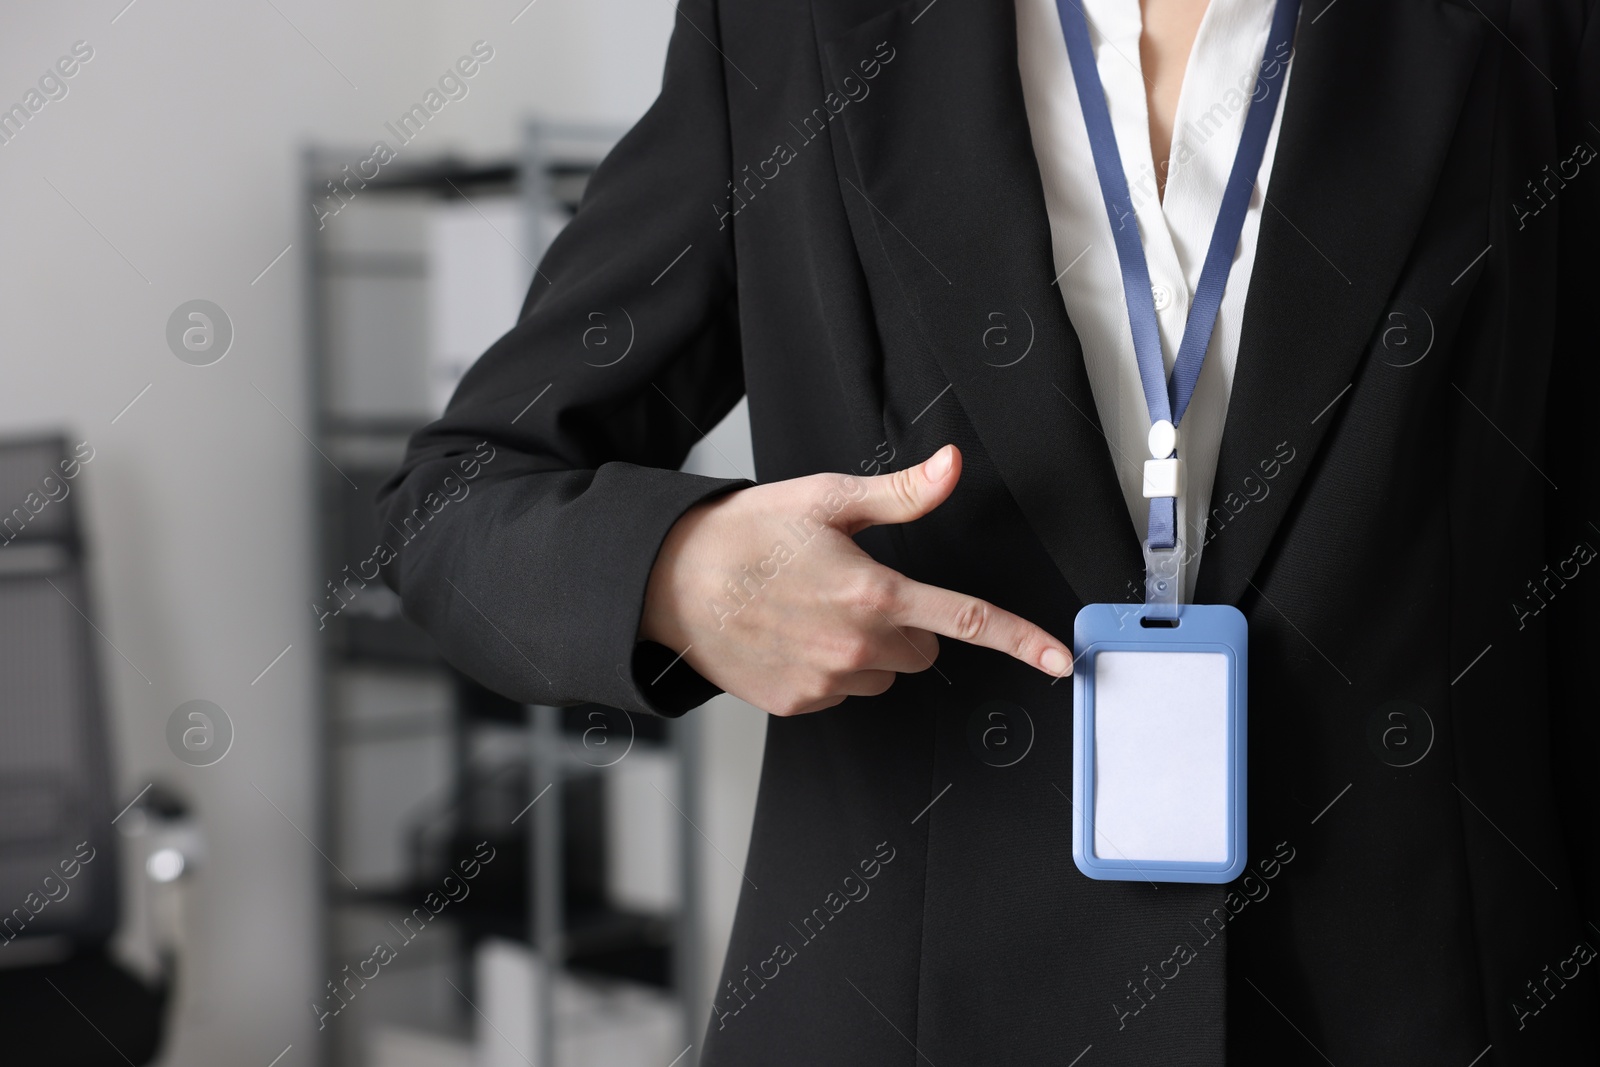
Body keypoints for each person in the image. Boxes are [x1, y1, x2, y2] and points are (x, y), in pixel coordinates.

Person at [377, 0, 1600, 1061]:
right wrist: (680, 575)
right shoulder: (783, 31)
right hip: (908, 1017)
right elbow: (454, 503)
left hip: (1428, 1004)